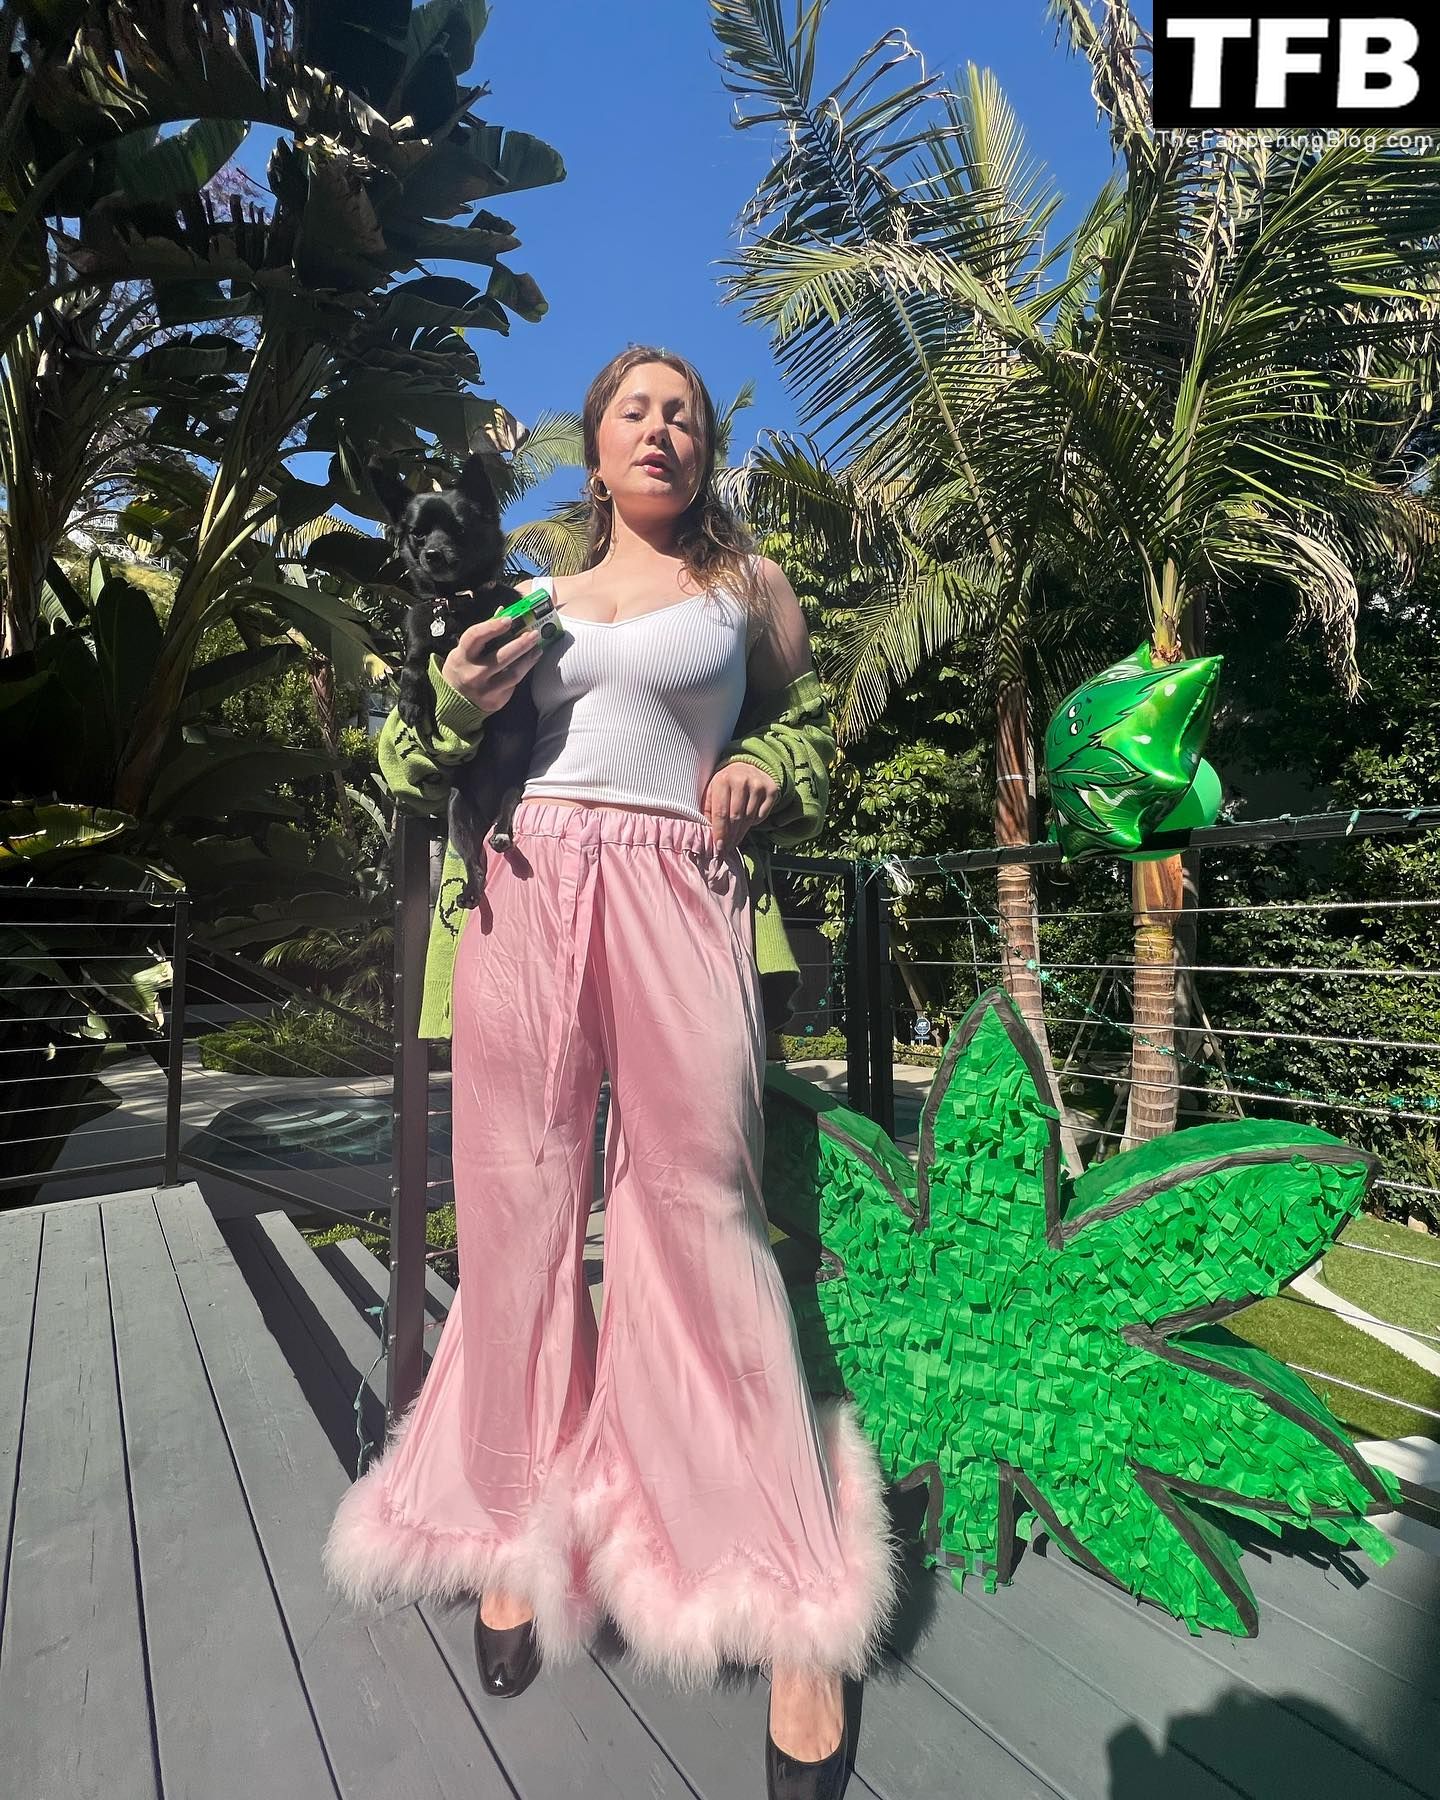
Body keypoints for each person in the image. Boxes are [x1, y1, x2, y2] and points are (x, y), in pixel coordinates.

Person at [323, 346, 898, 1800]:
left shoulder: (750, 592)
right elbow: (403, 763)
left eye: (683, 414)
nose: (661, 428)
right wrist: (455, 704)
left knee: (701, 1217)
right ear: (594, 454)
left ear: (705, 452)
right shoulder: (529, 597)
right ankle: (514, 1522)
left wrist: (772, 773)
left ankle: (784, 1589)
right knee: (517, 1215)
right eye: (634, 410)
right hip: (524, 896)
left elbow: (814, 739)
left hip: (678, 895)